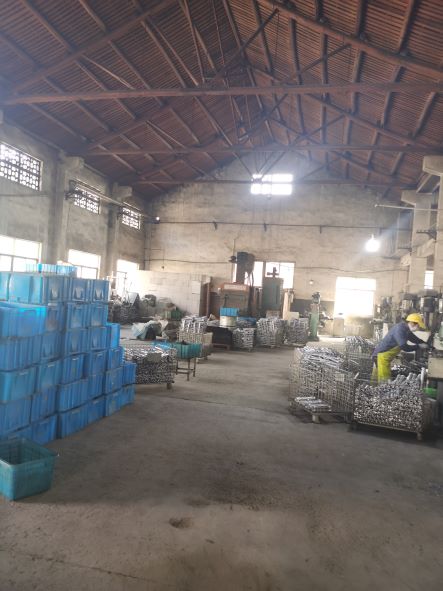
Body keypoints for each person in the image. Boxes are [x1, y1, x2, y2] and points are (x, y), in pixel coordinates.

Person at [371, 313, 428, 383]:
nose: (418, 329)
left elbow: (414, 338)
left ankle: (372, 389)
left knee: (375, 380)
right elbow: (404, 347)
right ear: (412, 323)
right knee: (384, 381)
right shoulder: (400, 329)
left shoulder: (406, 329)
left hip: (382, 356)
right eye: (418, 326)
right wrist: (418, 346)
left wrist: (424, 343)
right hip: (381, 356)